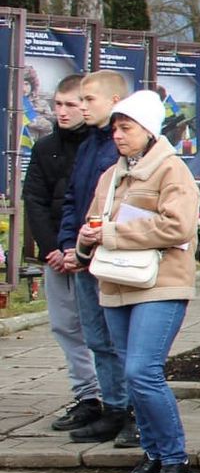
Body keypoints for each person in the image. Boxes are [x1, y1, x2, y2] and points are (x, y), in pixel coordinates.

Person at [75, 91, 200, 473]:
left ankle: (177, 460)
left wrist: (110, 234)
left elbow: (178, 228)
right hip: (115, 283)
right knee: (134, 379)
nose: (117, 135)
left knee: (142, 372)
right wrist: (85, 241)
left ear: (148, 130)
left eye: (126, 127)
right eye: (114, 128)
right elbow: (95, 221)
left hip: (160, 283)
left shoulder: (171, 171)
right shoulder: (110, 176)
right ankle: (153, 455)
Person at [55, 70, 134, 446]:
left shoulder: (122, 147)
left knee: (121, 340)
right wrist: (71, 244)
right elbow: (73, 198)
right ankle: (113, 407)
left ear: (114, 102)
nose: (82, 107)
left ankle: (132, 411)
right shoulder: (88, 146)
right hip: (85, 257)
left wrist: (93, 245)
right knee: (97, 339)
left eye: (89, 100)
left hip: (114, 258)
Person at [25, 75, 102, 434]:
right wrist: (53, 249)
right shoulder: (45, 147)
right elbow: (35, 200)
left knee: (98, 328)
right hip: (57, 252)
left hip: (92, 252)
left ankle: (112, 397)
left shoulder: (100, 146)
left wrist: (79, 249)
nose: (64, 111)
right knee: (64, 325)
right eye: (58, 104)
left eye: (72, 104)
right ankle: (86, 396)